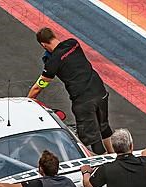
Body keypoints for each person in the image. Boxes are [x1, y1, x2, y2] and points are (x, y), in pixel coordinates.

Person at [27, 27, 114, 155]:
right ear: (54, 36)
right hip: (99, 90)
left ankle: (104, 164)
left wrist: (27, 100)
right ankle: (114, 155)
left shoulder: (52, 63)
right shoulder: (73, 43)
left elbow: (39, 86)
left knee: (93, 137)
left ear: (43, 45)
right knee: (104, 126)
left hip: (83, 101)